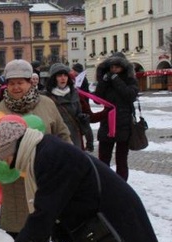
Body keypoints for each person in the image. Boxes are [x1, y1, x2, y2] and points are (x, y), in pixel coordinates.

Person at [0, 121, 170, 242]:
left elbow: (44, 214)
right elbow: (50, 209)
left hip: (112, 219)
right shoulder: (42, 150)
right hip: (96, 217)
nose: (6, 164)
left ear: (14, 149)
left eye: (4, 158)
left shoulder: (50, 157)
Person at [0, 59, 71, 236]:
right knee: (18, 234)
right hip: (15, 185)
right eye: (11, 83)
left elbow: (62, 134)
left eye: (20, 82)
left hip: (46, 179)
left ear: (30, 82)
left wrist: (68, 162)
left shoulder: (47, 104)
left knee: (46, 229)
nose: (16, 87)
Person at [95, 52, 139, 181]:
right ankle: (104, 185)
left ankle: (121, 187)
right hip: (106, 124)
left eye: (117, 67)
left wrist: (116, 80)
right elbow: (98, 99)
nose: (114, 70)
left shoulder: (130, 81)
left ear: (123, 68)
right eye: (111, 67)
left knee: (121, 160)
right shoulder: (106, 81)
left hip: (124, 125)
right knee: (103, 160)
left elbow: (130, 95)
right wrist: (103, 81)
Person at [44, 63, 88, 149]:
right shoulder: (46, 96)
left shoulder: (74, 94)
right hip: (55, 137)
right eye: (59, 75)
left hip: (74, 136)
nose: (63, 78)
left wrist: (83, 118)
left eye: (65, 75)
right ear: (54, 78)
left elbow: (79, 112)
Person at [72, 63, 94, 151]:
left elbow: (81, 92)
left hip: (83, 105)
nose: (72, 71)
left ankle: (90, 145)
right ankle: (88, 144)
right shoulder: (80, 78)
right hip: (82, 104)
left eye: (73, 70)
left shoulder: (82, 79)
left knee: (86, 126)